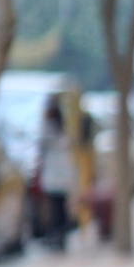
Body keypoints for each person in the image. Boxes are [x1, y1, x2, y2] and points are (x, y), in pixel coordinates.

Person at [39, 99, 76, 250]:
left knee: (55, 208)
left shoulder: (48, 130)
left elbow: (41, 148)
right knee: (60, 206)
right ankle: (60, 236)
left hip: (54, 174)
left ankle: (57, 235)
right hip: (62, 174)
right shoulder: (62, 130)